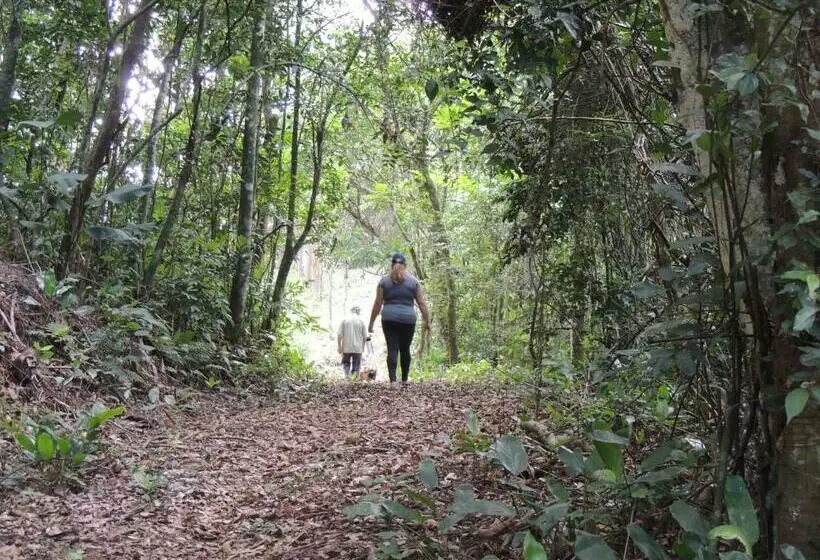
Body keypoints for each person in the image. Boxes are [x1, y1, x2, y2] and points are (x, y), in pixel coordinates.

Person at [368, 252, 431, 385]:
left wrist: (371, 323)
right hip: (408, 319)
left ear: (391, 265)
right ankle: (404, 380)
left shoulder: (383, 282)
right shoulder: (414, 282)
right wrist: (427, 321)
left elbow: (377, 303)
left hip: (389, 318)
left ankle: (393, 381)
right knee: (405, 349)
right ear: (405, 265)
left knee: (392, 348)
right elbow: (422, 303)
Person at [338, 305, 368, 380]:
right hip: (358, 348)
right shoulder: (361, 321)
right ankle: (354, 381)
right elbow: (365, 337)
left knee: (346, 363)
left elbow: (339, 335)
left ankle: (347, 377)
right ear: (358, 312)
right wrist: (363, 347)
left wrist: (339, 346)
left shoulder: (344, 320)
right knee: (356, 365)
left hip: (346, 347)